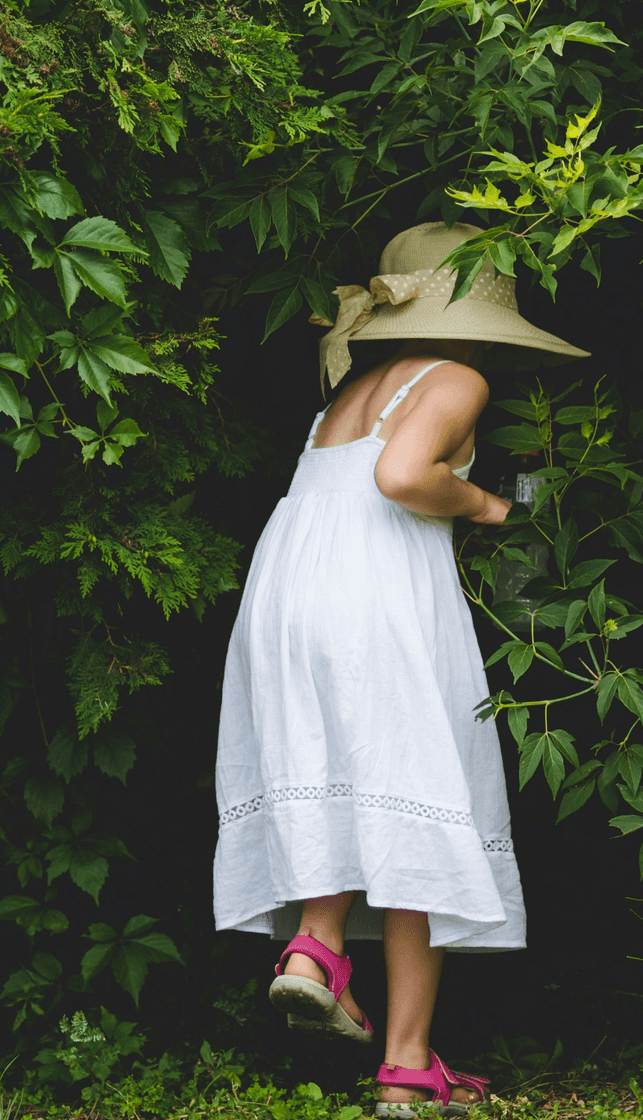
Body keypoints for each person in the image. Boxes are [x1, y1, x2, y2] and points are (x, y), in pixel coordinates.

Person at [211, 222, 589, 1117]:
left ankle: (317, 949)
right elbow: (401, 475)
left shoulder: (352, 388)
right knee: (420, 800)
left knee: (346, 782)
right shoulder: (460, 379)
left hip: (287, 594)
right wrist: (491, 504)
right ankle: (404, 1062)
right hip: (371, 598)